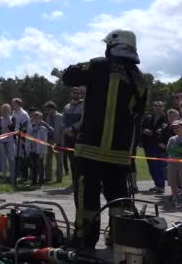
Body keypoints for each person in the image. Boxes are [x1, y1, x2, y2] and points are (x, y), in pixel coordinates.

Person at [53, 29, 148, 249]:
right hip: (120, 153)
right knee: (118, 197)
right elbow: (138, 113)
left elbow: (70, 76)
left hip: (90, 149)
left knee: (87, 196)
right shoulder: (139, 78)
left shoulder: (98, 65)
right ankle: (120, 238)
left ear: (112, 46)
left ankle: (85, 240)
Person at [141, 101, 168, 194]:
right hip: (148, 145)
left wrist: (153, 132)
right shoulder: (148, 117)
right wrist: (144, 130)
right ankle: (157, 185)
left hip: (159, 146)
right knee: (151, 167)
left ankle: (161, 186)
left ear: (163, 107)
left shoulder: (166, 118)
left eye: (160, 106)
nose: (157, 107)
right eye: (155, 105)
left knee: (158, 167)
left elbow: (163, 130)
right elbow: (142, 127)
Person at [62, 87, 84, 179]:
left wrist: (72, 129)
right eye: (74, 93)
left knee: (79, 160)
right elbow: (63, 120)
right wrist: (66, 130)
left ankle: (80, 181)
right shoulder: (66, 107)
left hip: (78, 136)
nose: (76, 94)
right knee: (71, 160)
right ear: (71, 94)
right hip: (68, 137)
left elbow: (82, 120)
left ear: (81, 94)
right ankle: (74, 181)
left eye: (78, 93)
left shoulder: (83, 105)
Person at [25, 111, 49, 187]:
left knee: (40, 167)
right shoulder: (30, 128)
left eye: (37, 118)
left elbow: (44, 141)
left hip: (39, 151)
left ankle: (41, 181)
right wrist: (27, 149)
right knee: (33, 167)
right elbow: (27, 140)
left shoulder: (43, 129)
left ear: (41, 119)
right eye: (34, 118)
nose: (35, 120)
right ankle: (34, 181)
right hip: (32, 150)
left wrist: (43, 152)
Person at [43, 101, 64, 183]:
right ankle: (48, 177)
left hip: (58, 141)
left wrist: (60, 142)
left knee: (59, 161)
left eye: (48, 109)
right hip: (49, 141)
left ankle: (59, 178)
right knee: (48, 159)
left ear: (52, 108)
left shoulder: (60, 116)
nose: (46, 111)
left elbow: (62, 130)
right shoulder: (48, 117)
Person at [0, 104, 16, 183]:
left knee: (11, 159)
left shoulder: (13, 118)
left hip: (10, 140)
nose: (5, 111)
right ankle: (4, 176)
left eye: (7, 109)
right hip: (1, 141)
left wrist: (8, 119)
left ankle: (13, 176)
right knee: (3, 159)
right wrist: (1, 131)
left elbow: (12, 128)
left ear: (10, 110)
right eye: (3, 110)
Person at [12, 98, 30, 182]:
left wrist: (21, 136)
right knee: (17, 157)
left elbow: (25, 127)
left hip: (23, 139)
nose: (13, 105)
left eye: (14, 104)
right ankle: (18, 175)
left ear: (18, 104)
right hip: (15, 138)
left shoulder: (24, 114)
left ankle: (25, 176)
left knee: (24, 158)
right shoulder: (14, 113)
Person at [166, 120, 182, 207]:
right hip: (172, 163)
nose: (176, 129)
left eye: (178, 127)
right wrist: (178, 150)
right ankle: (175, 199)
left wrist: (176, 149)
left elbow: (174, 150)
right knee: (173, 182)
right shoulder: (172, 139)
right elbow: (169, 150)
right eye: (174, 127)